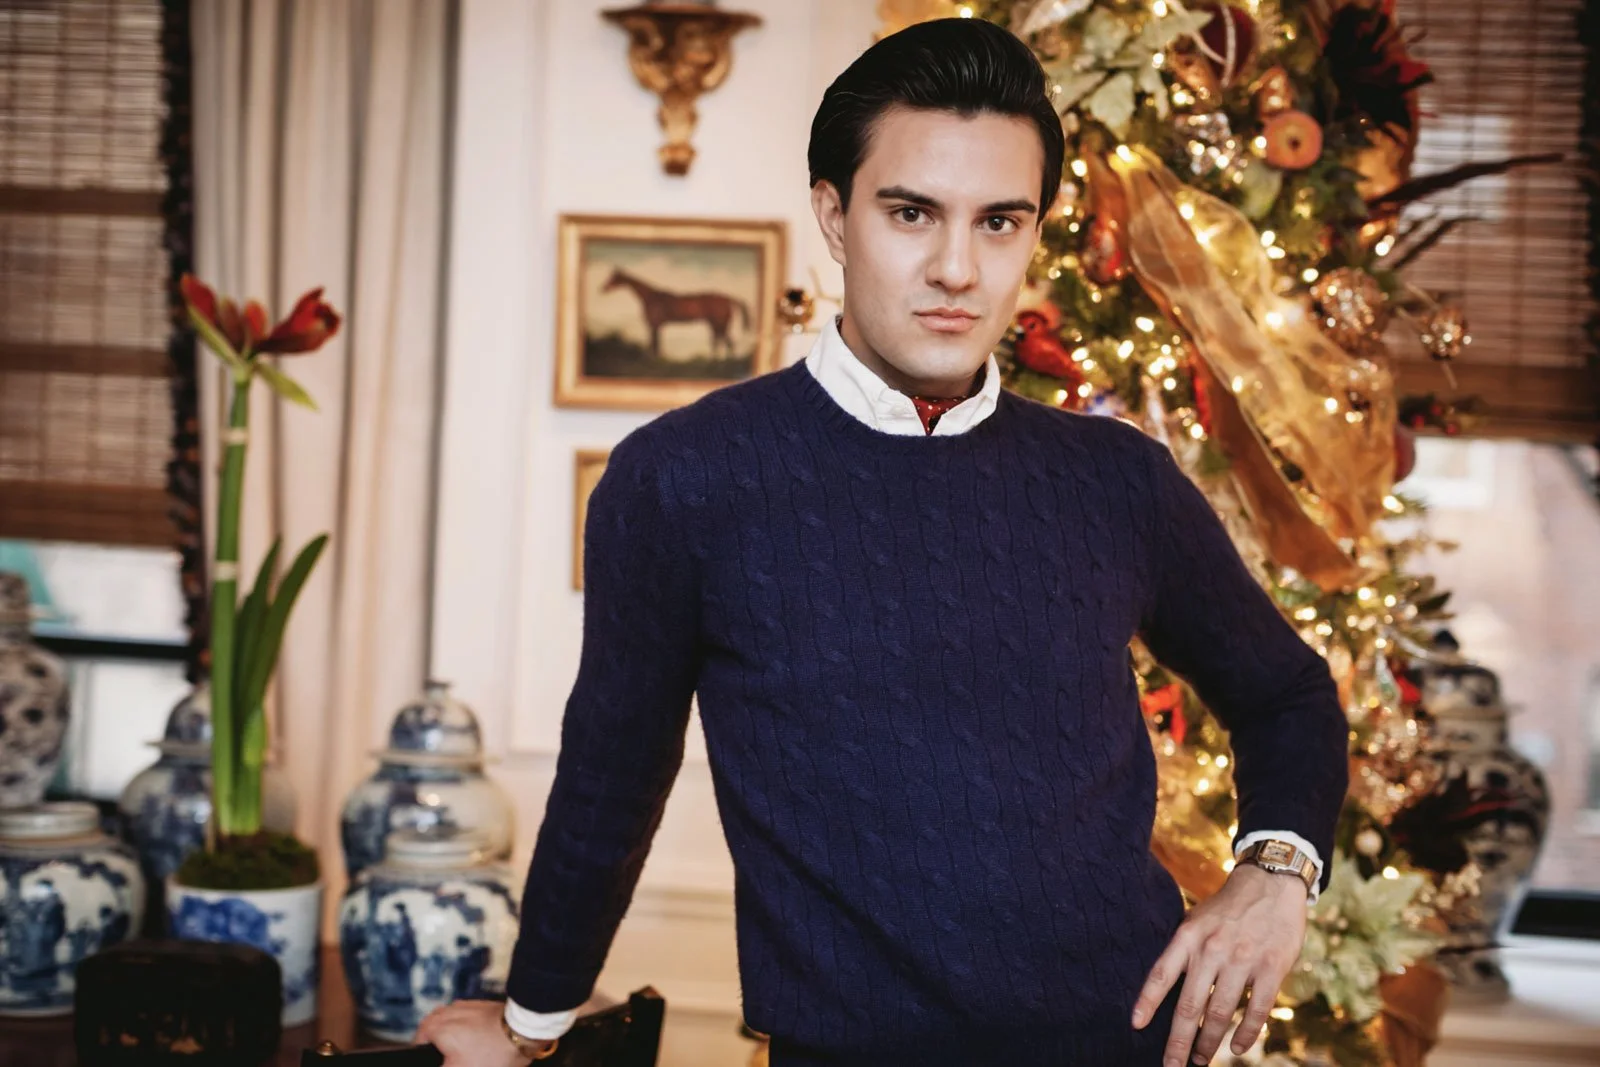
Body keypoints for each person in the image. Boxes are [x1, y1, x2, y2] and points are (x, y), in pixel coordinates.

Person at [418, 17, 1347, 1067]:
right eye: (912, 212)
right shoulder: (684, 478)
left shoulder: (1114, 478)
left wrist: (1274, 874)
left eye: (1000, 221)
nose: (957, 266)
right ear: (834, 213)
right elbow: (613, 771)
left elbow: (1289, 696)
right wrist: (530, 1019)